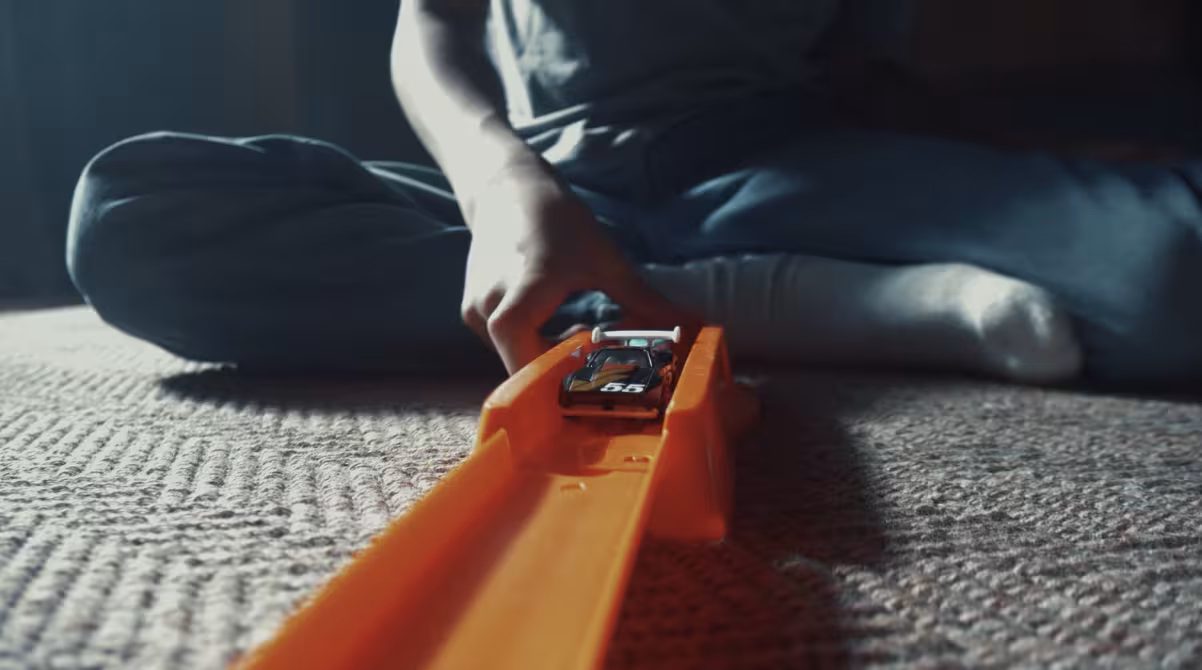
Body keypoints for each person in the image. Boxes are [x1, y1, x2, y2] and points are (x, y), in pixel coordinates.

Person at [65, 0, 1202, 390]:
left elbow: (867, 71)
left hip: (790, 166)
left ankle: (631, 314)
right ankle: (765, 307)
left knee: (1172, 277)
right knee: (129, 217)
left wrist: (1041, 181)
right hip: (546, 186)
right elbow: (430, 27)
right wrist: (506, 191)